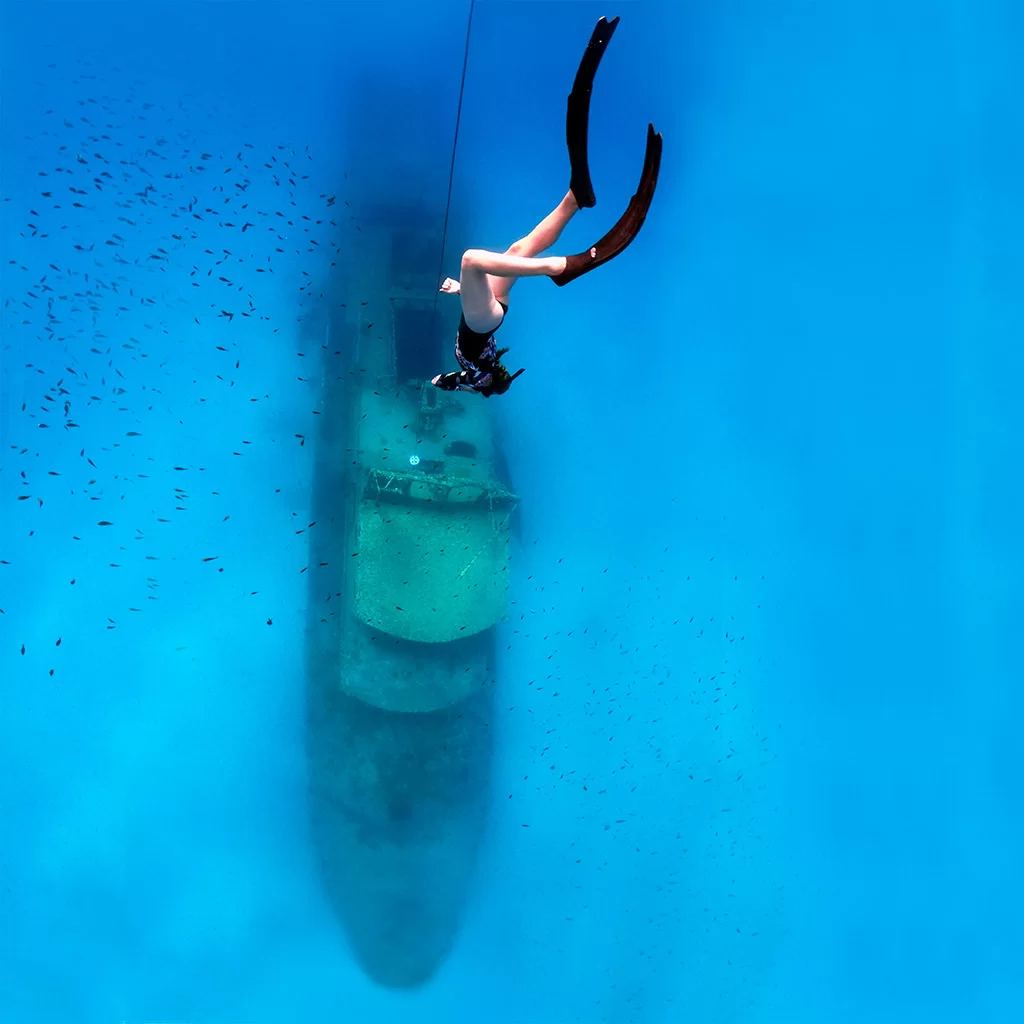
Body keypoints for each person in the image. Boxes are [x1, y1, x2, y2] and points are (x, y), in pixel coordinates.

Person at [432, 15, 663, 398]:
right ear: (490, 384)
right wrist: (442, 382)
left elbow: (457, 379)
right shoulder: (477, 381)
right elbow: (451, 382)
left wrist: (460, 291)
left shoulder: (480, 376)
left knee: (517, 250)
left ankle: (574, 200)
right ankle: (558, 267)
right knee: (473, 259)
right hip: (481, 322)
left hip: (491, 311)